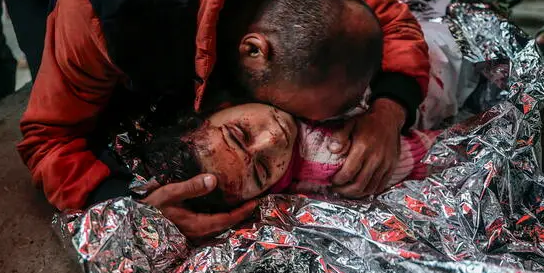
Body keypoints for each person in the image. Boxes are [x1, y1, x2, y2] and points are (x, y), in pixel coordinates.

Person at [14, 0, 430, 239]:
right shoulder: (105, 9)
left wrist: (388, 111)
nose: (280, 134)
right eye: (289, 109)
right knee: (103, 121)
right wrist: (129, 207)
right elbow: (49, 141)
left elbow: (392, 22)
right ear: (252, 49)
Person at [110, 103, 440, 216]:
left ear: (209, 109)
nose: (275, 139)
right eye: (264, 170)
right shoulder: (327, 162)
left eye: (239, 134)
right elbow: (424, 153)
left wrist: (389, 109)